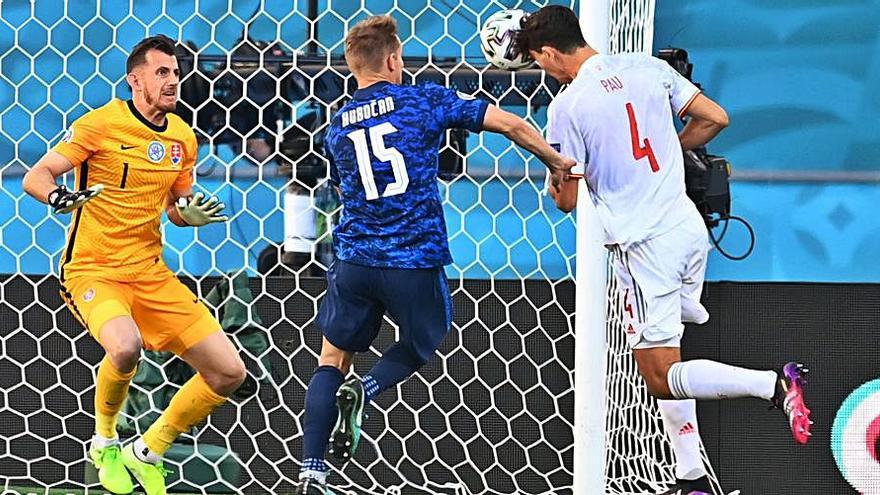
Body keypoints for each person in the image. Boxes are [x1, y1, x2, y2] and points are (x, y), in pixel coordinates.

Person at [516, 6, 812, 495]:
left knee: (658, 375)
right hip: (687, 228)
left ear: (550, 53)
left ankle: (773, 385)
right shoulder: (648, 66)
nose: (543, 70)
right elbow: (716, 117)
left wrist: (556, 177)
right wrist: (671, 148)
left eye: (539, 61)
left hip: (644, 246)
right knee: (666, 346)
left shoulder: (567, 108)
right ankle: (691, 477)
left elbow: (567, 200)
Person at [294, 15, 575, 495]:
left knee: (331, 355)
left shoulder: (337, 126)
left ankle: (311, 472)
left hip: (354, 259)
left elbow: (344, 188)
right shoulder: (422, 100)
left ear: (352, 67)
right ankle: (364, 392)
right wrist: (555, 161)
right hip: (412, 259)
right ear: (393, 60)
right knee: (428, 335)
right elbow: (509, 122)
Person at [22, 35, 246, 495]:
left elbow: (176, 209)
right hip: (94, 269)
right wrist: (61, 197)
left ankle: (146, 452)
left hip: (151, 273)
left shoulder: (183, 137)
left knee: (228, 373)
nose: (172, 81)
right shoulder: (101, 125)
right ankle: (104, 442)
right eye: (162, 72)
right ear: (135, 79)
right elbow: (36, 176)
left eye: (177, 73)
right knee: (124, 348)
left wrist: (190, 215)